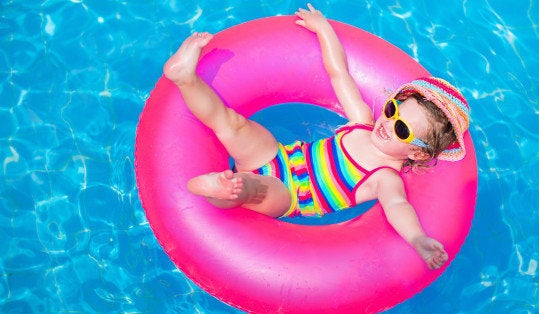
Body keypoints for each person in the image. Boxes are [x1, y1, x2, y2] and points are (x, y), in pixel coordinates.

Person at [162, 4, 470, 270]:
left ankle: (220, 188)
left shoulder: (385, 177)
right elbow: (340, 75)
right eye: (392, 109)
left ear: (417, 154)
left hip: (290, 194)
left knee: (252, 190)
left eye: (402, 129)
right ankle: (185, 78)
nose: (388, 123)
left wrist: (418, 239)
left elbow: (397, 207)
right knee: (233, 123)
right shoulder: (362, 121)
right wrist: (324, 30)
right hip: (278, 156)